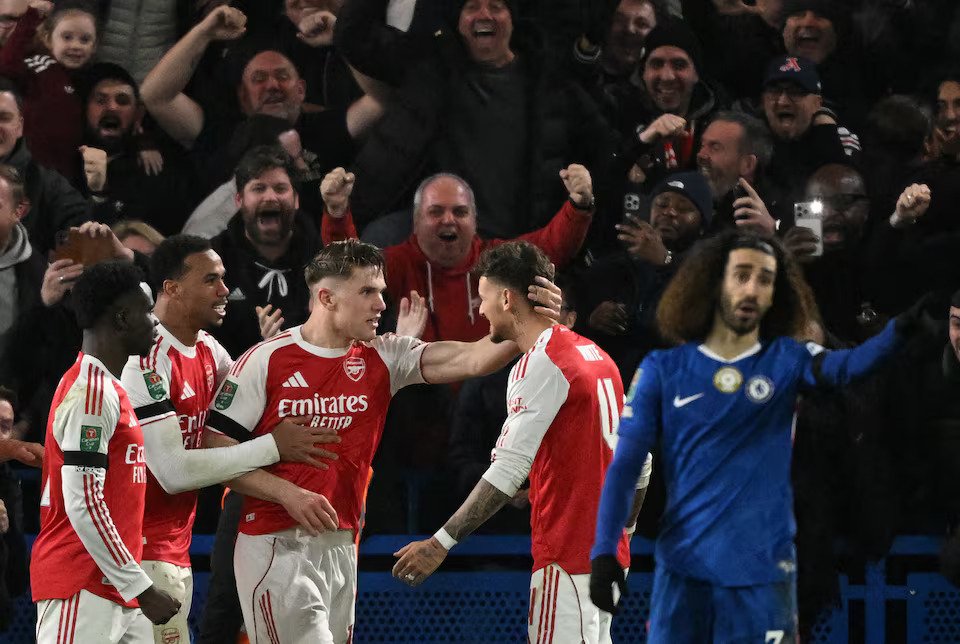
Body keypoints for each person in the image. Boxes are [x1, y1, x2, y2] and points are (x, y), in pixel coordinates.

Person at [202, 238, 561, 642]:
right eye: (367, 291)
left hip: (341, 544)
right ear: (327, 297)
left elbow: (474, 358)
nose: (381, 304)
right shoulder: (265, 359)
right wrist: (287, 493)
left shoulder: (384, 355)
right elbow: (215, 451)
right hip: (274, 543)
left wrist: (533, 318)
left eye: (381, 292)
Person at [589, 231, 932, 642]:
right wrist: (604, 550)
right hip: (686, 570)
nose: (752, 288)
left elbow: (848, 367)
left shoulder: (788, 362)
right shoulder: (662, 370)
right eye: (742, 275)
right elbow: (625, 465)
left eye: (766, 279)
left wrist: (897, 332)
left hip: (765, 573)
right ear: (714, 284)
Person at [393, 241, 651, 644]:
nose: (481, 310)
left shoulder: (541, 364)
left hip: (566, 560)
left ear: (507, 298)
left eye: (483, 298)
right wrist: (625, 532)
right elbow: (642, 462)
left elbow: (509, 471)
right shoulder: (598, 357)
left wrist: (439, 543)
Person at [119, 234, 340, 644]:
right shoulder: (143, 360)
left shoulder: (209, 351)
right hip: (130, 551)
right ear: (171, 288)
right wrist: (275, 445)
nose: (225, 291)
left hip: (170, 546)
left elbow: (257, 413)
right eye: (211, 280)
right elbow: (170, 471)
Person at [30, 261, 180, 643]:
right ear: (122, 319)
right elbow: (84, 503)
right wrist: (142, 589)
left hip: (114, 588)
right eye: (148, 311)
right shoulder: (92, 395)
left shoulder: (105, 389)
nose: (156, 323)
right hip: (80, 586)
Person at [320, 165, 594, 342]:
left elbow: (551, 246)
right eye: (436, 211)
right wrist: (337, 213)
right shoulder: (397, 264)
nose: (448, 220)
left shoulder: (496, 261)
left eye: (460, 212)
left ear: (475, 221)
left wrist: (579, 205)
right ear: (416, 221)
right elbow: (350, 273)